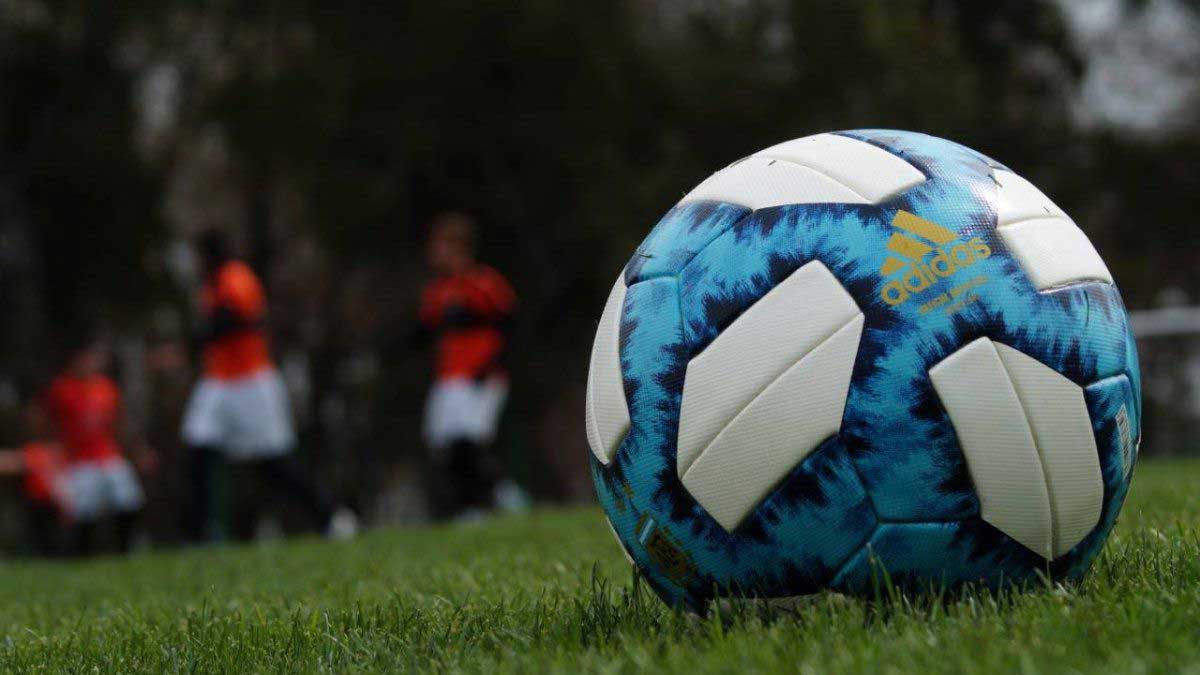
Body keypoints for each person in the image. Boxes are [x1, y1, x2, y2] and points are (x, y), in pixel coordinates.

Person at [181, 229, 357, 542]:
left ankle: (331, 515)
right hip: (218, 381)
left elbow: (237, 319)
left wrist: (200, 334)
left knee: (274, 462)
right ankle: (199, 531)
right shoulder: (210, 286)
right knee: (198, 447)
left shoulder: (236, 277)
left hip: (250, 380)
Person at [417, 212, 525, 520]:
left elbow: (511, 326)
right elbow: (423, 330)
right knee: (445, 446)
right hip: (448, 379)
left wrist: (494, 365)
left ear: (458, 247)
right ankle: (468, 508)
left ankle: (502, 494)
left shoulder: (484, 283)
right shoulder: (437, 292)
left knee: (469, 441)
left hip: (479, 376)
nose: (434, 252)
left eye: (440, 245)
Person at [43, 337, 147, 555]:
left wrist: (138, 450)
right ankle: (80, 556)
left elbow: (118, 423)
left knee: (128, 499)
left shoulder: (106, 389)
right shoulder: (62, 390)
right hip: (80, 460)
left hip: (108, 455)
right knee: (84, 511)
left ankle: (125, 551)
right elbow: (49, 424)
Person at [0, 404, 66, 556]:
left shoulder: (55, 449)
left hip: (56, 503)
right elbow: (11, 462)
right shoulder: (31, 450)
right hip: (36, 503)